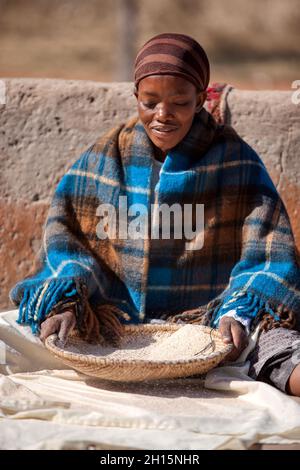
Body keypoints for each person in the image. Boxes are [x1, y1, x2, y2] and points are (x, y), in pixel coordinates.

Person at [10, 33, 300, 396]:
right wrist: (67, 301)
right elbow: (68, 240)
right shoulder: (106, 157)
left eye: (179, 101)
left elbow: (270, 252)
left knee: (281, 352)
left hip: (215, 327)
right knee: (12, 341)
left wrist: (239, 312)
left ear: (200, 100)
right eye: (150, 103)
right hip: (113, 327)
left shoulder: (235, 159)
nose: (163, 115)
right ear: (135, 98)